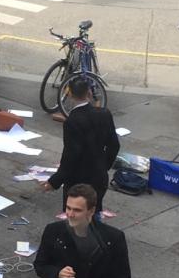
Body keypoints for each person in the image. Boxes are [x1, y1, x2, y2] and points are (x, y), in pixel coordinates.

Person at [41, 77, 120, 216]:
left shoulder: (72, 121)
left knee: (75, 216)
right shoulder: (104, 114)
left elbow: (71, 156)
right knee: (94, 210)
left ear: (70, 94)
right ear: (89, 93)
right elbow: (114, 145)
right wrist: (103, 166)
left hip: (78, 180)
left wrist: (54, 181)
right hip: (99, 177)